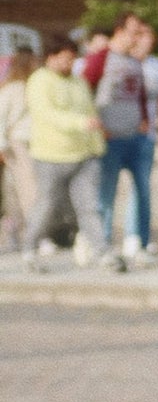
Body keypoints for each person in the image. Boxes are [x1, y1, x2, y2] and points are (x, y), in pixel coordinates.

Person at [22, 31, 107, 270]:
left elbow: (90, 111)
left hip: (83, 154)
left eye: (72, 58)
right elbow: (46, 114)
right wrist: (79, 123)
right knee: (47, 205)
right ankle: (29, 249)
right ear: (51, 57)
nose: (69, 63)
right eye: (65, 58)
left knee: (90, 206)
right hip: (51, 155)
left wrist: (96, 143)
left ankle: (101, 251)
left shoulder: (78, 81)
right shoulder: (39, 80)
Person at [89, 17, 150, 266]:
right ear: (119, 31)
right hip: (110, 137)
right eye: (133, 33)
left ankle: (138, 242)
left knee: (142, 191)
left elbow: (140, 95)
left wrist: (144, 120)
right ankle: (101, 244)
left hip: (135, 135)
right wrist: (97, 125)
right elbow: (84, 89)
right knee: (106, 194)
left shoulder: (135, 62)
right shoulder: (101, 58)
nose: (137, 39)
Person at [123, 20, 158, 263]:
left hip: (148, 132)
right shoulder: (123, 62)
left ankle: (141, 236)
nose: (147, 41)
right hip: (122, 132)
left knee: (142, 186)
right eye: (142, 35)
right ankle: (126, 236)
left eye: (150, 36)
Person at [0, 44, 38, 253]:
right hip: (18, 143)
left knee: (16, 191)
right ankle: (32, 234)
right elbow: (1, 118)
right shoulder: (13, 89)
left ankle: (16, 231)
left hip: (35, 143)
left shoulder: (33, 85)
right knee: (28, 189)